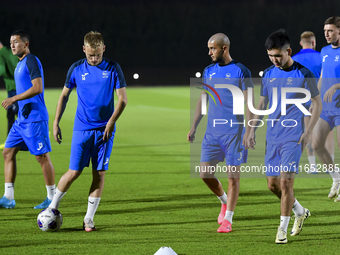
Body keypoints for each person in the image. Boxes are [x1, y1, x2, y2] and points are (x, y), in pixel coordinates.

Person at [247, 29, 322, 244]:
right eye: (270, 55)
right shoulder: (269, 73)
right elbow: (262, 103)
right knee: (272, 185)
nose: (274, 60)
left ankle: (281, 229)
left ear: (289, 51)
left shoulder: (303, 73)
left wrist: (308, 131)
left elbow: (317, 103)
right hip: (273, 136)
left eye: (278, 55)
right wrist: (252, 129)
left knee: (286, 182)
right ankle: (299, 211)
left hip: (294, 136)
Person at [48, 31, 127, 232]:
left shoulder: (113, 68)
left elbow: (122, 99)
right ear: (84, 49)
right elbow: (64, 96)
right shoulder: (76, 68)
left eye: (98, 55)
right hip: (82, 129)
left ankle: (89, 219)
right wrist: (56, 122)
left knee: (99, 174)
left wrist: (110, 122)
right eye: (91, 55)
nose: (94, 59)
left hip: (105, 131)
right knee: (74, 171)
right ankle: (52, 207)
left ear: (104, 49)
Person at [187, 33, 254, 233]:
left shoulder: (241, 70)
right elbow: (203, 99)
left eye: (212, 49)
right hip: (212, 132)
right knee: (205, 174)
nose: (209, 53)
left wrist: (250, 130)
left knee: (233, 177)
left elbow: (250, 102)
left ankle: (228, 220)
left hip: (234, 132)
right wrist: (194, 126)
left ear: (224, 48)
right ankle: (224, 201)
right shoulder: (208, 70)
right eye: (209, 48)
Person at [0, 30, 55, 209]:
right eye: (11, 43)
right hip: (22, 120)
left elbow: (37, 87)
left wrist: (14, 98)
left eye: (16, 42)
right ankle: (8, 198)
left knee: (41, 157)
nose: (13, 45)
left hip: (35, 119)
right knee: (7, 153)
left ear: (26, 44)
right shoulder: (19, 64)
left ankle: (52, 197)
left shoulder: (31, 60)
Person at [292, 31, 335, 174]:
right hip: (322, 99)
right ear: (313, 42)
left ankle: (312, 166)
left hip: (303, 99)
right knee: (328, 132)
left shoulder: (293, 59)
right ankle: (330, 165)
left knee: (307, 130)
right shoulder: (321, 56)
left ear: (300, 43)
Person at [312, 16, 340, 202]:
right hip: (325, 108)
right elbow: (323, 75)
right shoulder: (323, 51)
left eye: (330, 31)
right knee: (316, 145)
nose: (327, 34)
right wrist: (316, 96)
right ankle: (337, 178)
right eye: (325, 31)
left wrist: (336, 86)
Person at [0, 40, 19, 150]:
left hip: (13, 88)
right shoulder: (8, 51)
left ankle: (9, 142)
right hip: (18, 87)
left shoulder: (1, 54)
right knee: (15, 113)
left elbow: (1, 70)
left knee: (12, 114)